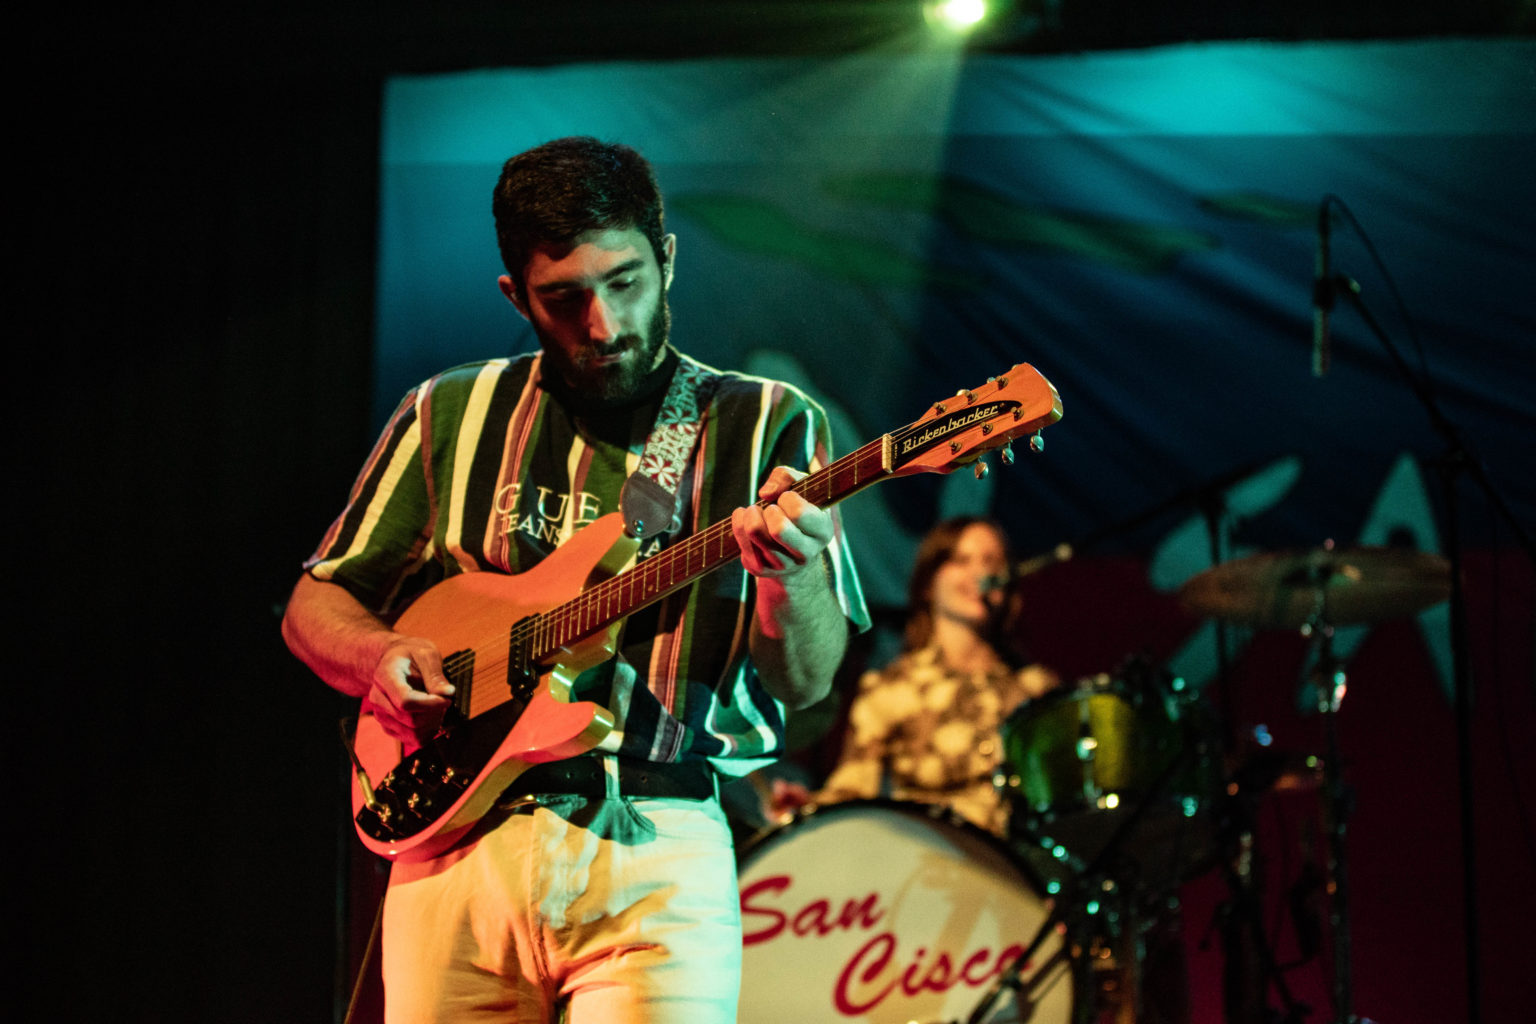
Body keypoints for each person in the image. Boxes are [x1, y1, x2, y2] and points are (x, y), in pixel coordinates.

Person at [281, 136, 868, 1024]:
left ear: (668, 260)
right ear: (515, 296)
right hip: (455, 845)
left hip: (657, 841)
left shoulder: (765, 425)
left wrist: (793, 578)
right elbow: (315, 601)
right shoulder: (450, 411)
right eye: (564, 299)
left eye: (625, 281)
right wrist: (377, 656)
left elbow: (808, 680)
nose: (604, 325)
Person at [780, 516, 1058, 835]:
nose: (981, 573)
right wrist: (807, 808)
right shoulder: (893, 687)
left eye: (992, 562)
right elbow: (854, 789)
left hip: (1010, 858)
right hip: (925, 855)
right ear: (928, 583)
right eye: (961, 560)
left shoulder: (1035, 689)